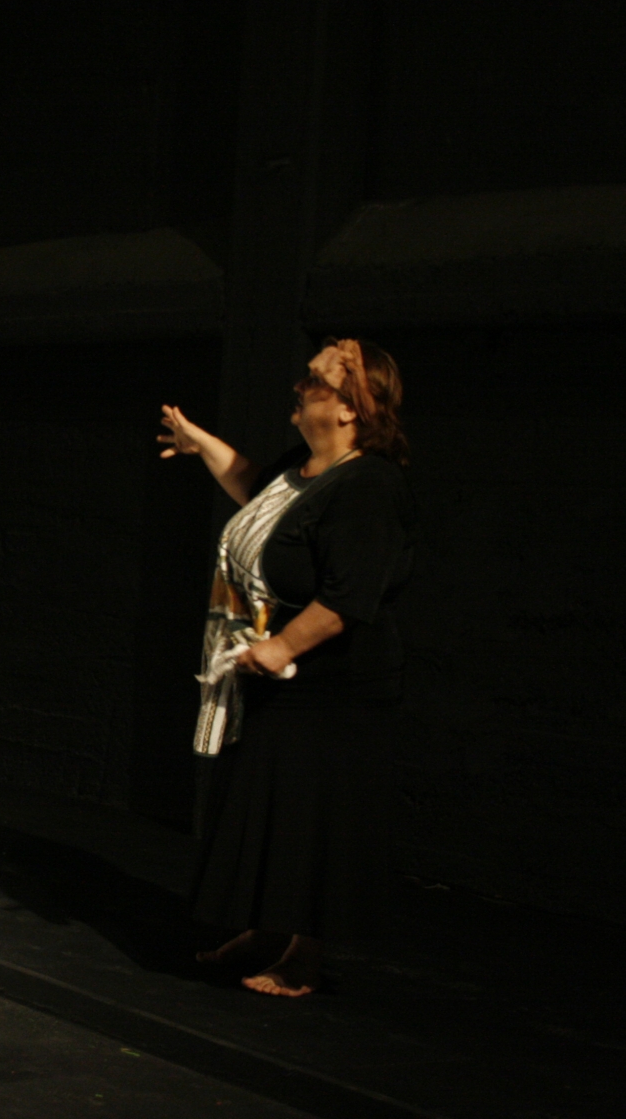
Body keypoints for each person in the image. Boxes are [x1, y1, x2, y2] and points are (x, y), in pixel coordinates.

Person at [158, 338, 414, 997]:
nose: (300, 387)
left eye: (317, 382)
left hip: (334, 687)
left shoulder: (369, 485)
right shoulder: (304, 471)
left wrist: (281, 648)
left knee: (310, 818)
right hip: (282, 684)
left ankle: (303, 954)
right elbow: (255, 489)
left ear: (352, 410)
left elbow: (352, 595)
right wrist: (199, 443)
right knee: (269, 808)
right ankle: (269, 930)